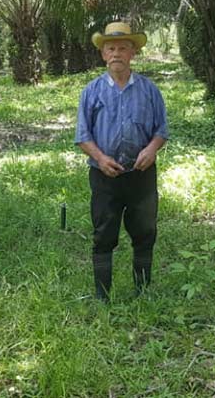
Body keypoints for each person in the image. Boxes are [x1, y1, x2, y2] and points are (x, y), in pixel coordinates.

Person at [74, 21, 169, 302]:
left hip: (141, 175)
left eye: (123, 48)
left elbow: (161, 130)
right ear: (103, 55)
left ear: (133, 53)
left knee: (144, 231)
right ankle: (102, 296)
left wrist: (152, 150)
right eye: (110, 48)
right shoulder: (91, 92)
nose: (116, 53)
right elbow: (82, 135)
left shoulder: (150, 90)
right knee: (104, 233)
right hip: (105, 176)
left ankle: (143, 291)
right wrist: (101, 158)